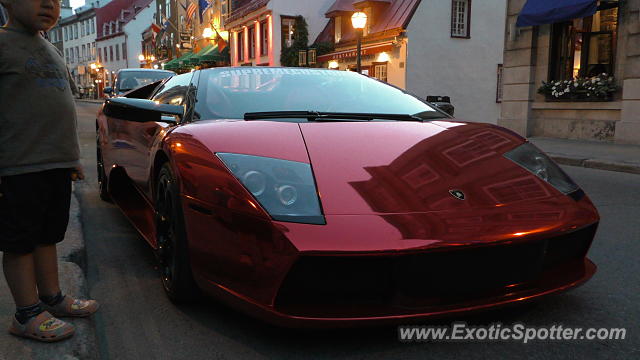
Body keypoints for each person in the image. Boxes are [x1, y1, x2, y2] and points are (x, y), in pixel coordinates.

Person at [0, 0, 99, 342]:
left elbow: (61, 108)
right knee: (20, 242)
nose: (49, 4)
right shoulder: (2, 43)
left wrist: (71, 158)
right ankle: (26, 314)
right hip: (18, 165)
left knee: (48, 236)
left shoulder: (48, 47)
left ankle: (50, 298)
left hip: (54, 164)